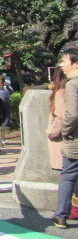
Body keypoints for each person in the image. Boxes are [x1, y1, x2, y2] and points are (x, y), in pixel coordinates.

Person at [52, 48, 78, 228]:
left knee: (68, 175)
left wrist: (66, 130)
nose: (61, 65)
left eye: (64, 61)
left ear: (76, 64)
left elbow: (73, 114)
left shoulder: (73, 83)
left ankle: (61, 215)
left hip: (75, 139)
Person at [48, 66, 67, 171]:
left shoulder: (60, 93)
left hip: (61, 139)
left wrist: (51, 132)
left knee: (67, 178)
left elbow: (61, 117)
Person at [0, 74, 12, 148]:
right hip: (4, 118)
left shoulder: (1, 92)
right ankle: (0, 144)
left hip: (1, 118)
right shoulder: (4, 90)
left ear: (0, 82)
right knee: (1, 134)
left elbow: (1, 107)